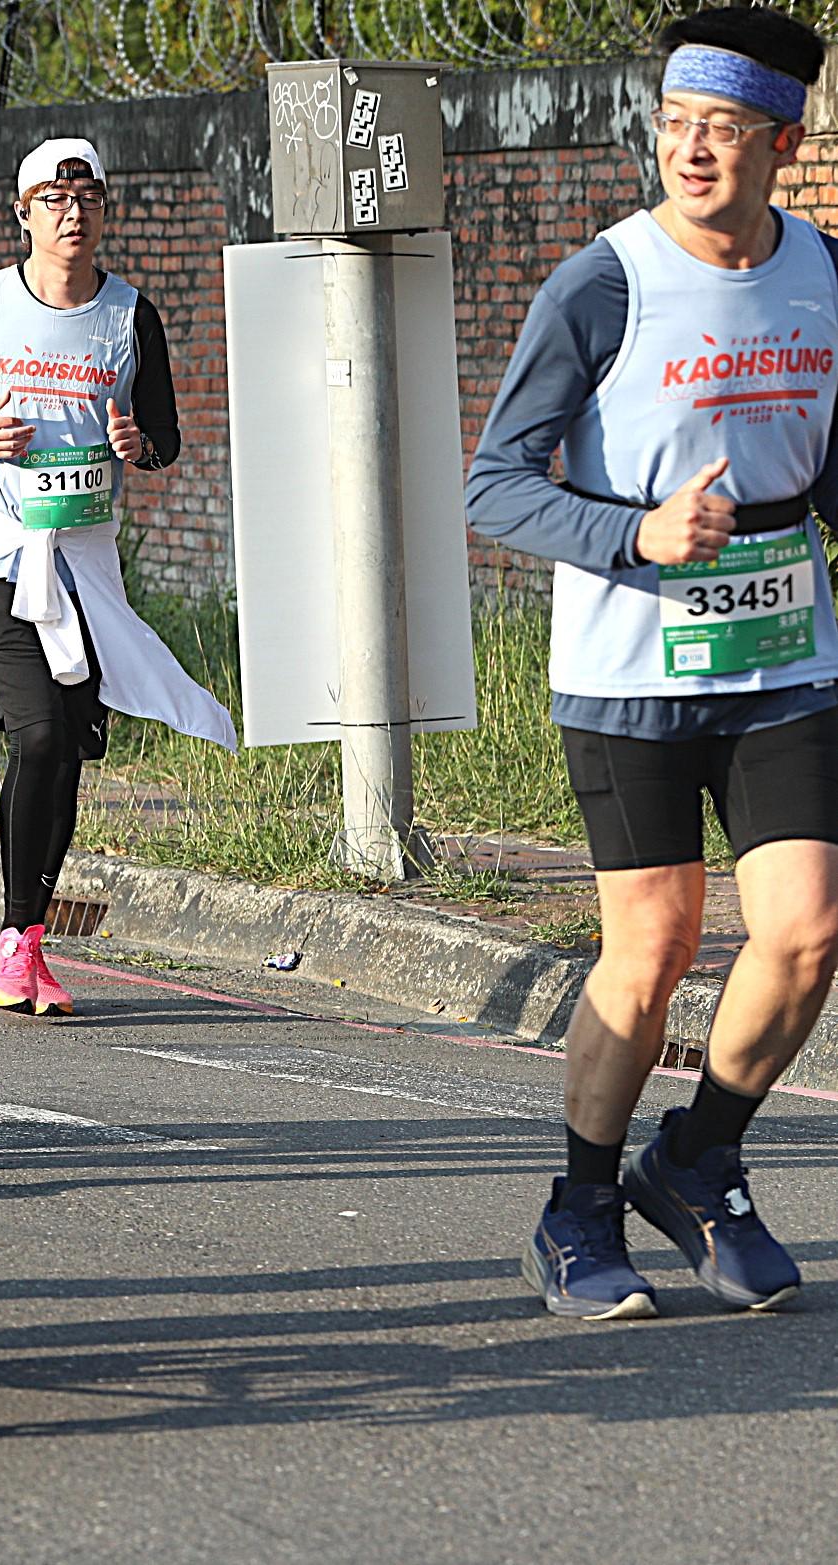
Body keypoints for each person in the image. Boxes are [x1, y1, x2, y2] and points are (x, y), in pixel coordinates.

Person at [468, 6, 838, 1319]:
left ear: (781, 143)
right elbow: (494, 484)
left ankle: (694, 1160)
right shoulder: (602, 283)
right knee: (655, 943)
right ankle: (573, 1211)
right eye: (673, 124)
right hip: (631, 664)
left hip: (782, 654)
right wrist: (634, 531)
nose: (688, 149)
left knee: (802, 934)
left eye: (720, 129)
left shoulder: (824, 273)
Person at [0, 138, 233, 1019]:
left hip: (83, 568)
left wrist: (136, 447)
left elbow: (163, 434)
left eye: (86, 196)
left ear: (104, 210)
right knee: (38, 732)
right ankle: (12, 937)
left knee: (71, 747)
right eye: (53, 197)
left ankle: (29, 942)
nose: (71, 211)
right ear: (24, 213)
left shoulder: (131, 315)